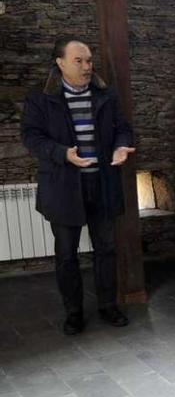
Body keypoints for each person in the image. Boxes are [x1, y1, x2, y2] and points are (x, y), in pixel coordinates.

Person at [20, 37, 136, 335]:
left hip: (102, 183)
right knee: (67, 255)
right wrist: (62, 153)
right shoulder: (41, 98)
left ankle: (108, 305)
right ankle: (73, 312)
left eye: (89, 61)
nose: (87, 67)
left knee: (106, 249)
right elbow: (31, 137)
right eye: (79, 61)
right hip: (63, 186)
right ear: (60, 63)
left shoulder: (104, 93)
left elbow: (123, 128)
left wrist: (121, 147)